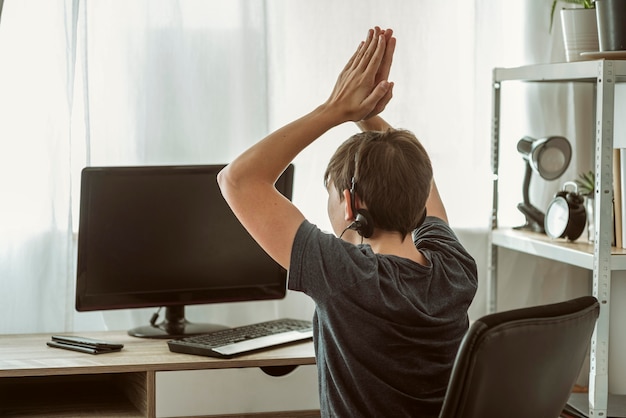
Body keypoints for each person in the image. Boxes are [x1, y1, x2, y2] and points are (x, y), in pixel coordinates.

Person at [217, 27, 477, 418]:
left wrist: (337, 109)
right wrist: (368, 114)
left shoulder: (347, 276)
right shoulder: (453, 267)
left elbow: (236, 180)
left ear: (351, 204)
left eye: (330, 195)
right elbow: (422, 181)